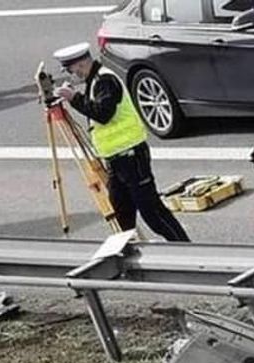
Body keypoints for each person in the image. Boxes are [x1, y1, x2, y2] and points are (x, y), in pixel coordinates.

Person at [53, 43, 190, 242]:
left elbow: (103, 114)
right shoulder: (94, 81)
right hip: (116, 159)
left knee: (152, 212)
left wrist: (74, 99)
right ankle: (128, 249)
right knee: (121, 210)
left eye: (70, 69)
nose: (71, 74)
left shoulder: (105, 80)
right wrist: (75, 97)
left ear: (81, 64)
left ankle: (184, 249)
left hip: (131, 156)